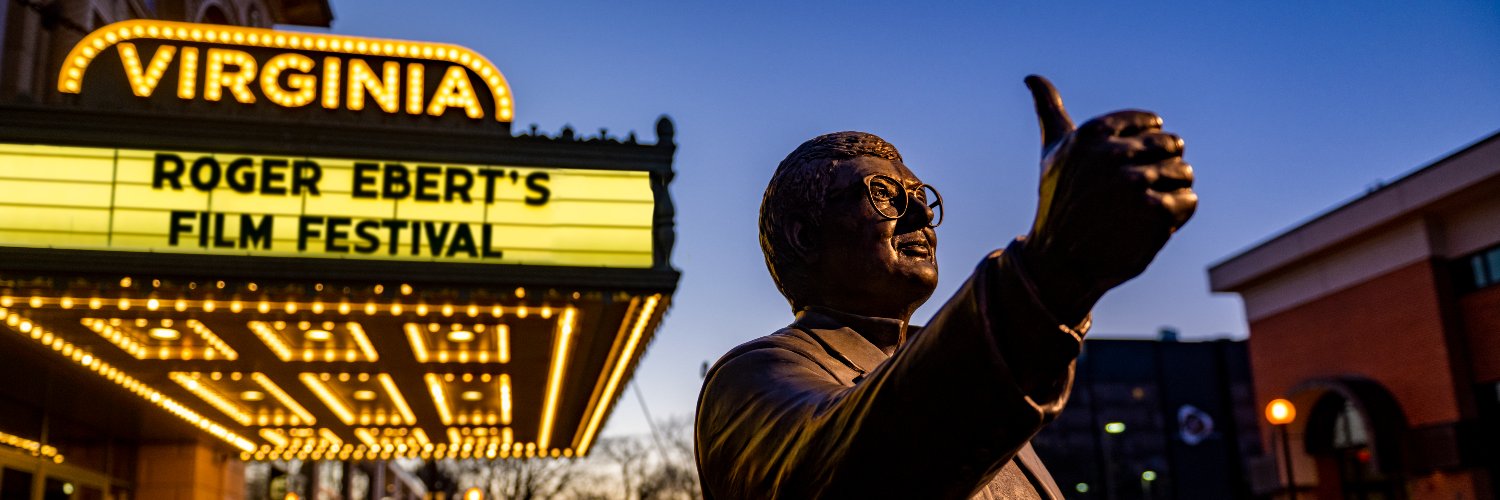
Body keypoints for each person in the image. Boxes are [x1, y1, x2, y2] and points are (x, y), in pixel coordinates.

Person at [694, 75, 1197, 499]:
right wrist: (1050, 273)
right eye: (884, 195)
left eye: (922, 197)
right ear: (805, 235)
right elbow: (853, 473)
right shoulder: (747, 379)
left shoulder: (970, 378)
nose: (919, 216)